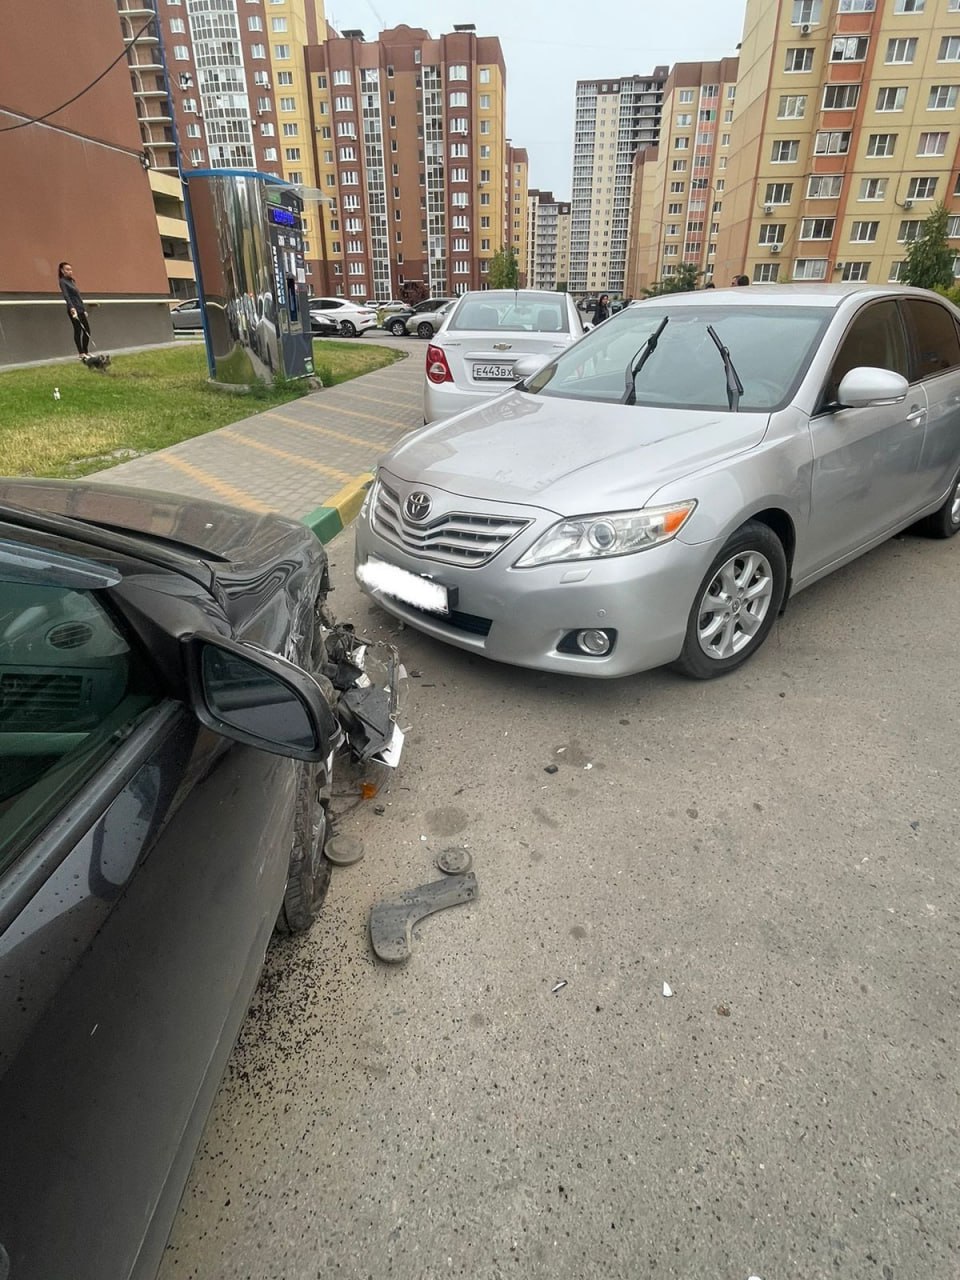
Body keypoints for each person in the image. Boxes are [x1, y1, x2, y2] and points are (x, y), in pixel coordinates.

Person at [58, 261, 91, 359]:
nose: (70, 271)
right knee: (78, 330)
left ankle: (86, 351)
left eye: (71, 269)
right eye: (67, 269)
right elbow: (66, 296)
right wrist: (72, 308)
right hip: (73, 309)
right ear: (62, 271)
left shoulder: (72, 281)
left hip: (80, 309)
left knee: (87, 330)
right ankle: (81, 353)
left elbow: (78, 297)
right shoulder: (62, 281)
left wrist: (83, 309)